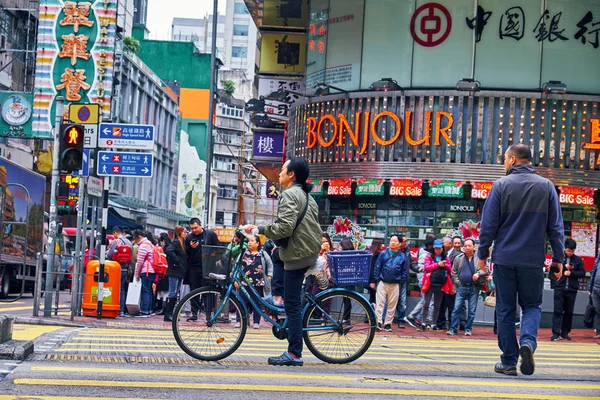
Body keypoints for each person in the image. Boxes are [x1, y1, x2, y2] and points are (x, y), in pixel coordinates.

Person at [478, 143, 564, 377]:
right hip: (533, 261)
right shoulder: (546, 187)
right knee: (532, 306)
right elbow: (556, 228)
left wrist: (482, 255)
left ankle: (508, 361)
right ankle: (527, 343)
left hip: (504, 260)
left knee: (505, 310)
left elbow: (488, 227)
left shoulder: (501, 186)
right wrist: (558, 259)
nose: (504, 163)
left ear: (514, 159)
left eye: (505, 159)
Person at [244, 158, 322, 367]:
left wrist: (258, 230)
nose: (279, 173)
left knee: (293, 305)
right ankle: (277, 296)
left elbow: (285, 227)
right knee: (277, 256)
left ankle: (294, 353)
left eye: (283, 170)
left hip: (299, 255)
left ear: (292, 175)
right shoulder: (307, 196)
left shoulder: (290, 194)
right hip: (307, 250)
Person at [370, 234, 408, 332]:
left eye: (395, 241)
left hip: (395, 283)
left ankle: (388, 324)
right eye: (391, 240)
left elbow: (405, 271)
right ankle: (378, 322)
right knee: (380, 304)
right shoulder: (383, 254)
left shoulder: (402, 256)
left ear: (399, 244)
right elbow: (377, 267)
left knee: (392, 305)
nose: (392, 242)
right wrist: (377, 279)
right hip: (382, 282)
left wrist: (400, 281)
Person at [184, 217, 220, 322]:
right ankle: (194, 313)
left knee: (208, 292)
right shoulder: (189, 237)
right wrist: (191, 247)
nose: (194, 230)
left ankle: (209, 315)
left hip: (207, 268)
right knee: (194, 292)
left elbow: (218, 248)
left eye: (195, 227)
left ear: (200, 225)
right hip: (193, 268)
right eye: (192, 228)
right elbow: (186, 252)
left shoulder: (210, 234)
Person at [235, 235, 273, 329]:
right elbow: (237, 266)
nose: (250, 243)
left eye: (252, 241)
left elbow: (270, 264)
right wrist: (236, 279)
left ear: (258, 243)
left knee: (257, 303)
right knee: (241, 302)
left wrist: (270, 275)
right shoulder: (243, 254)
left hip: (258, 283)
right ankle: (239, 321)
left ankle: (256, 322)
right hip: (244, 283)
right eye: (249, 241)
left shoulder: (263, 254)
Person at [448, 239, 484, 336]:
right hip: (462, 286)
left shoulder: (479, 258)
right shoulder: (458, 258)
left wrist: (478, 273)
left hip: (474, 287)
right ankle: (453, 329)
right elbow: (453, 272)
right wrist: (458, 282)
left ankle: (468, 329)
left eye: (469, 246)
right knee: (456, 308)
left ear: (474, 247)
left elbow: (486, 270)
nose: (467, 248)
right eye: (465, 246)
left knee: (472, 310)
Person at [551, 238, 585, 341]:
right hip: (559, 288)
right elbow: (552, 272)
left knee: (569, 312)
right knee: (557, 311)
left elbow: (582, 273)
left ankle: (565, 333)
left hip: (571, 289)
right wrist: (564, 269)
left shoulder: (578, 260)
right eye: (569, 250)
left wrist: (571, 273)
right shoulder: (559, 259)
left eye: (572, 251)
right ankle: (555, 333)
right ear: (564, 248)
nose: (570, 253)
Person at [406, 234, 436, 328]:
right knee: (427, 299)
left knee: (427, 299)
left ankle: (419, 317)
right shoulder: (424, 251)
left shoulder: (423, 249)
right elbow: (423, 267)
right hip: (424, 278)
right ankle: (418, 317)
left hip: (424, 277)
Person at [421, 239, 452, 331]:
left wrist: (445, 265)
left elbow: (450, 269)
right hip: (429, 283)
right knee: (426, 303)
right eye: (436, 248)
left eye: (439, 248)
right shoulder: (429, 256)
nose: (438, 250)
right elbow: (427, 268)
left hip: (440, 283)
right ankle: (423, 322)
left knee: (437, 305)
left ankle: (433, 323)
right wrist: (438, 264)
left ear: (442, 248)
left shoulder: (446, 257)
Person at [106, 227, 133, 316]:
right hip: (125, 269)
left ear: (115, 233)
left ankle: (115, 307)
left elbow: (110, 255)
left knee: (115, 288)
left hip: (116, 268)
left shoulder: (115, 242)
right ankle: (121, 309)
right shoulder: (129, 243)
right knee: (122, 289)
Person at [163, 226, 188, 322]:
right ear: (179, 233)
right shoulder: (177, 242)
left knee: (175, 293)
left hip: (178, 271)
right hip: (174, 271)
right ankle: (168, 314)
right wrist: (177, 261)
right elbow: (169, 251)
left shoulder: (182, 243)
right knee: (172, 293)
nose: (186, 234)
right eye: (184, 232)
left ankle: (171, 314)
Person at [132, 230, 155, 317]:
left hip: (146, 271)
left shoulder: (143, 246)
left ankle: (144, 310)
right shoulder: (149, 244)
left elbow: (140, 262)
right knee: (148, 290)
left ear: (139, 237)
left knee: (145, 290)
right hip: (152, 270)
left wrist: (136, 275)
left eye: (135, 239)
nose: (135, 241)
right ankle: (148, 310)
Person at [367, 239, 384, 306]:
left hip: (372, 279)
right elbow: (373, 268)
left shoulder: (370, 253)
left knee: (372, 297)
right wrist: (373, 281)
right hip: (375, 280)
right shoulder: (377, 255)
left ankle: (369, 313)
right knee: (374, 298)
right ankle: (372, 314)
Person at [588, 246, 600, 339]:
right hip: (596, 288)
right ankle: (598, 331)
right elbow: (593, 273)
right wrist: (590, 288)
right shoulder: (598, 259)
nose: (599, 249)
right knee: (597, 310)